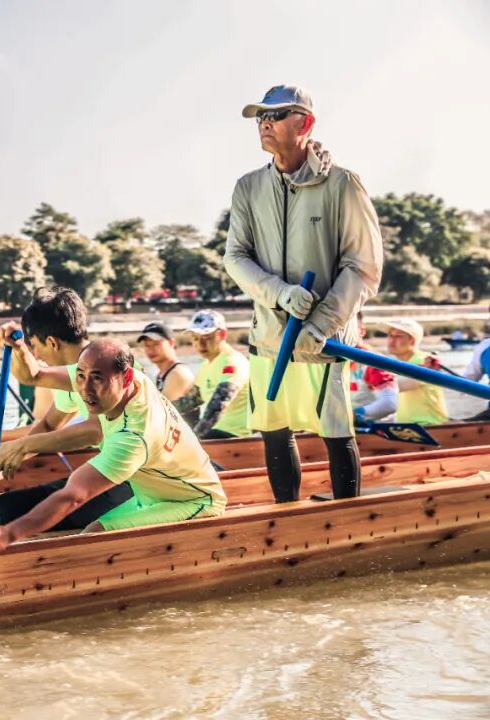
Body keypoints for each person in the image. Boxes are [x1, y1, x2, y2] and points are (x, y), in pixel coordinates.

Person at [224, 84, 383, 502]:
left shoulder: (343, 184)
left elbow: (363, 267)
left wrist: (320, 325)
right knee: (274, 431)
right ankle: (287, 518)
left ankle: (349, 520)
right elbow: (235, 257)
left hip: (324, 340)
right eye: (261, 117)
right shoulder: (247, 187)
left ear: (305, 123)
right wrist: (279, 293)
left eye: (276, 115)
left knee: (336, 430)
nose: (265, 124)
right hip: (269, 337)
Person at [0, 340, 226, 554]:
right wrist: (18, 346)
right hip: (148, 495)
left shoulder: (132, 436)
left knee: (93, 536)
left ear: (126, 377)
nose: (85, 390)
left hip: (193, 500)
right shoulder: (129, 377)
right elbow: (33, 376)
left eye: (97, 379)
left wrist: (9, 534)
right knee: (90, 535)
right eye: (80, 376)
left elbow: (73, 496)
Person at [0, 288, 135, 530]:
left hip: (135, 483)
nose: (36, 355)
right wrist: (3, 460)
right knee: (6, 506)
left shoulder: (109, 365)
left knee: (13, 514)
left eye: (34, 346)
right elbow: (49, 425)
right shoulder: (72, 375)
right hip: (111, 475)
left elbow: (95, 431)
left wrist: (22, 446)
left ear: (52, 343)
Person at [184, 310, 251, 439]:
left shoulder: (233, 362)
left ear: (222, 334)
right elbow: (191, 401)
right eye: (195, 338)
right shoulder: (205, 365)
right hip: (215, 432)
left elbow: (218, 405)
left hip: (235, 435)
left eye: (206, 338)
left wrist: (194, 438)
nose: (200, 344)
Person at [386, 319, 449, 425]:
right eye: (390, 335)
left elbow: (397, 387)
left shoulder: (423, 361)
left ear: (412, 341)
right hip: (408, 427)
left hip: (428, 425)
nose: (391, 340)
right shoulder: (399, 364)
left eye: (398, 336)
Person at [135, 321, 195, 413]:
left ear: (171, 343)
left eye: (156, 344)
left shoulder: (177, 373)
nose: (151, 349)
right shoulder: (161, 373)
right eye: (147, 345)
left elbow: (160, 412)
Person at [350, 312, 397, 422]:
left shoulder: (374, 363)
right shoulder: (330, 362)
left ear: (362, 331)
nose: (342, 334)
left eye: (348, 329)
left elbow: (390, 403)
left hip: (369, 427)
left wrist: (354, 415)